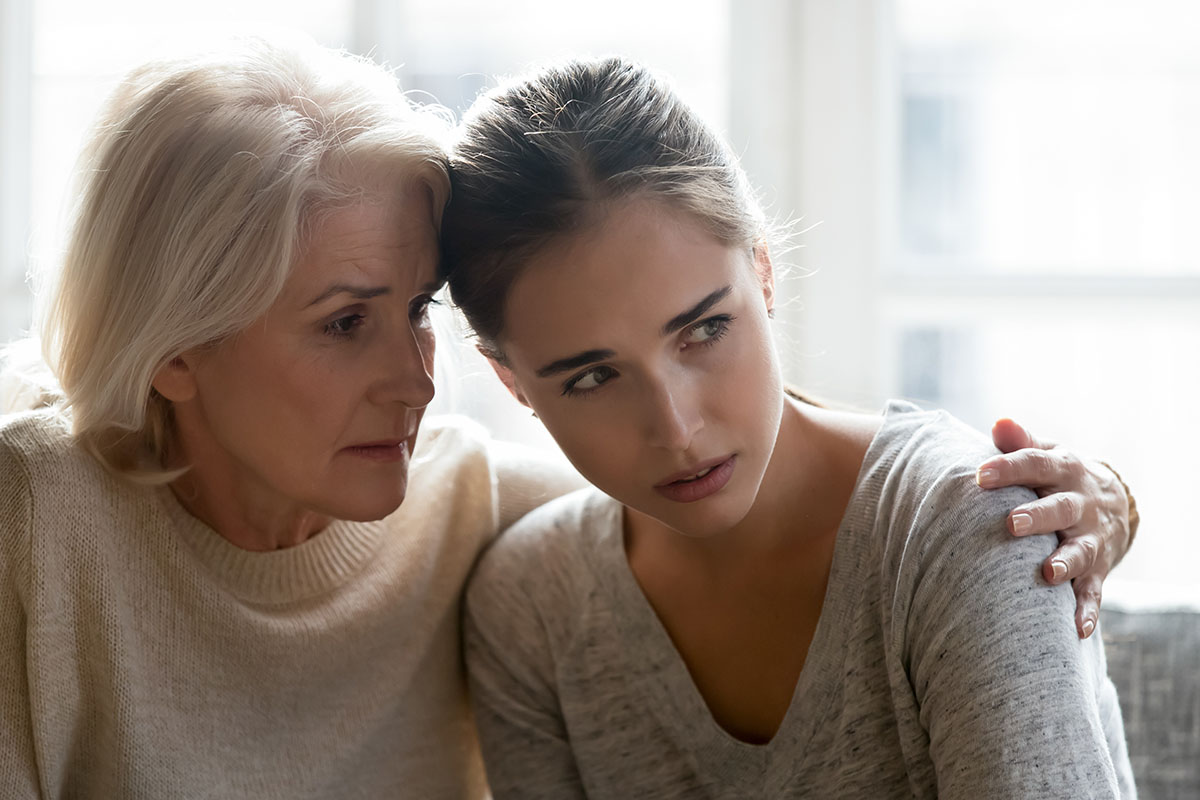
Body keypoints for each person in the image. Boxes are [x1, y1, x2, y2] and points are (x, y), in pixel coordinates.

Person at [0, 39, 1129, 798]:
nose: (414, 379)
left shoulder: (473, 510)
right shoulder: (36, 521)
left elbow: (836, 488)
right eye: (346, 322)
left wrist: (1099, 498)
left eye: (415, 311)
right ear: (176, 347)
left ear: (767, 274)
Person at [443, 57, 1138, 797]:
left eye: (704, 330)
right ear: (510, 381)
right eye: (592, 377)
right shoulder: (529, 608)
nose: (676, 428)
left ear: (764, 272)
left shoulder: (963, 531)